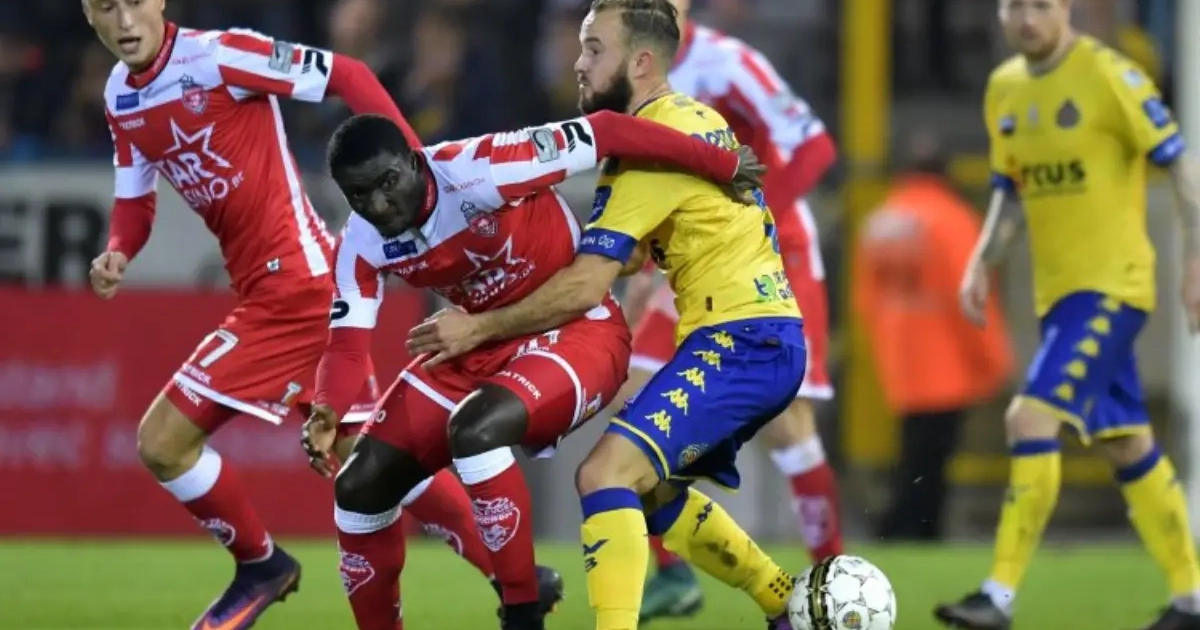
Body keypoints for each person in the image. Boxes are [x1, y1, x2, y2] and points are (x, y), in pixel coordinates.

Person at [83, 2, 502, 628]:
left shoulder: (221, 56)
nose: (124, 21)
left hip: (294, 290)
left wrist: (420, 170)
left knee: (162, 442)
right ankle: (516, 576)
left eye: (133, 2)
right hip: (292, 286)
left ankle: (261, 565)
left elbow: (348, 74)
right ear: (87, 15)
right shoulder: (121, 96)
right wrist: (118, 250)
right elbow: (135, 204)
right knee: (370, 458)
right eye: (104, 6)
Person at [404, 1, 807, 628]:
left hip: (742, 341)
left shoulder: (650, 150)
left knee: (603, 474)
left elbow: (587, 286)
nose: (578, 63)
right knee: (651, 491)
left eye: (595, 49)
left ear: (640, 63)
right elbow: (630, 254)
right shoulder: (689, 121)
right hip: (757, 337)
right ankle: (785, 604)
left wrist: (478, 325)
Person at [299, 110, 760, 630]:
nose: (379, 205)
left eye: (388, 183)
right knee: (358, 486)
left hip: (577, 331)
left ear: (413, 161)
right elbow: (347, 347)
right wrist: (327, 410)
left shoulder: (483, 168)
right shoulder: (360, 241)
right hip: (477, 344)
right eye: (359, 195)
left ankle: (522, 613)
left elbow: (606, 130)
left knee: (476, 429)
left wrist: (721, 163)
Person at [933, 1, 1200, 629]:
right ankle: (1191, 601)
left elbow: (1181, 166)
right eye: (1014, 6)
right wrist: (981, 261)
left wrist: (1194, 263)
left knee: (1029, 417)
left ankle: (998, 596)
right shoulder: (1004, 88)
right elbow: (1009, 188)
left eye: (1041, 6)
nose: (1026, 19)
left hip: (1113, 288)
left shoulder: (1111, 76)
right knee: (1126, 442)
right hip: (1057, 298)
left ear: (1066, 8)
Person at [612, 0, 842, 620]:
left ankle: (831, 577)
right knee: (630, 388)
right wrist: (645, 262)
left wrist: (750, 217)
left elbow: (815, 147)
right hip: (691, 259)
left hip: (774, 249)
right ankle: (671, 571)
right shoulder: (628, 77)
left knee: (790, 426)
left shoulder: (729, 64)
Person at [854, 131, 1014, 542]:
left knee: (913, 451)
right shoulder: (952, 218)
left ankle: (902, 527)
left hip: (896, 356)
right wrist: (994, 362)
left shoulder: (882, 219)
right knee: (932, 457)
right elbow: (971, 296)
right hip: (944, 361)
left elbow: (865, 300)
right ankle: (913, 531)